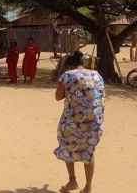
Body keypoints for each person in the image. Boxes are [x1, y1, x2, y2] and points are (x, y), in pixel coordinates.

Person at [54, 50, 105, 193]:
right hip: (94, 123)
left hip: (72, 122)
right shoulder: (97, 75)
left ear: (69, 65)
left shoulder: (68, 75)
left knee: (67, 146)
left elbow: (58, 96)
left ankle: (72, 181)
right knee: (88, 152)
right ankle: (88, 187)